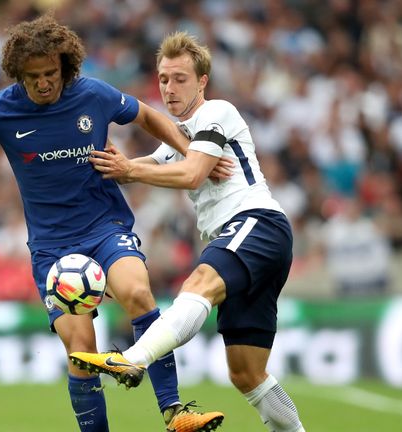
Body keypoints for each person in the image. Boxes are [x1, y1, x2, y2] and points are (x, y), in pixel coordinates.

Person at [0, 15, 223, 432]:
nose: (44, 83)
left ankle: (174, 413)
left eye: (51, 73)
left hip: (106, 228)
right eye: (33, 77)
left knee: (139, 293)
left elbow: (149, 117)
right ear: (18, 74)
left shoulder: (93, 95)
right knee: (81, 350)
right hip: (53, 251)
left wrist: (191, 153)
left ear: (65, 67)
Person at [70, 32, 307, 432]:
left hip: (256, 222)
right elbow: (138, 168)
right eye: (163, 78)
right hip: (248, 241)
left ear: (202, 82)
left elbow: (192, 173)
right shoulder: (179, 138)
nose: (169, 87)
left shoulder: (217, 112)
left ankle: (134, 358)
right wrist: (104, 164)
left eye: (180, 78)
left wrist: (131, 169)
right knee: (247, 374)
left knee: (199, 282)